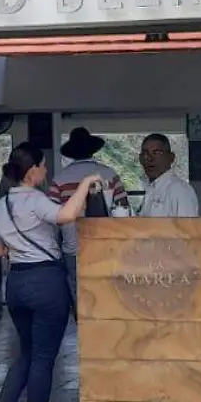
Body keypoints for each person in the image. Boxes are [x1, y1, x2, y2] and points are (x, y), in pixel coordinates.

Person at [0, 143, 103, 402]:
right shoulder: (35, 200)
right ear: (32, 170)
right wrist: (86, 184)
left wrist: (19, 247)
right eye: (43, 165)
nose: (47, 170)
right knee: (43, 356)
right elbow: (66, 215)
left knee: (29, 351)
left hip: (17, 284)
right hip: (46, 282)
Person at [49, 126, 130, 299]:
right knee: (108, 295)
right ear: (92, 150)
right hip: (107, 247)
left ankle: (81, 323)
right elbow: (124, 210)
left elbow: (51, 219)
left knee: (80, 297)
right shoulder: (109, 174)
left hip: (73, 247)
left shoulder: (60, 179)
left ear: (72, 152)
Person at [136, 133, 201, 218]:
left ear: (171, 157)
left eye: (156, 153)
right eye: (145, 154)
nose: (149, 158)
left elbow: (187, 230)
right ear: (140, 159)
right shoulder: (151, 190)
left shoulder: (179, 189)